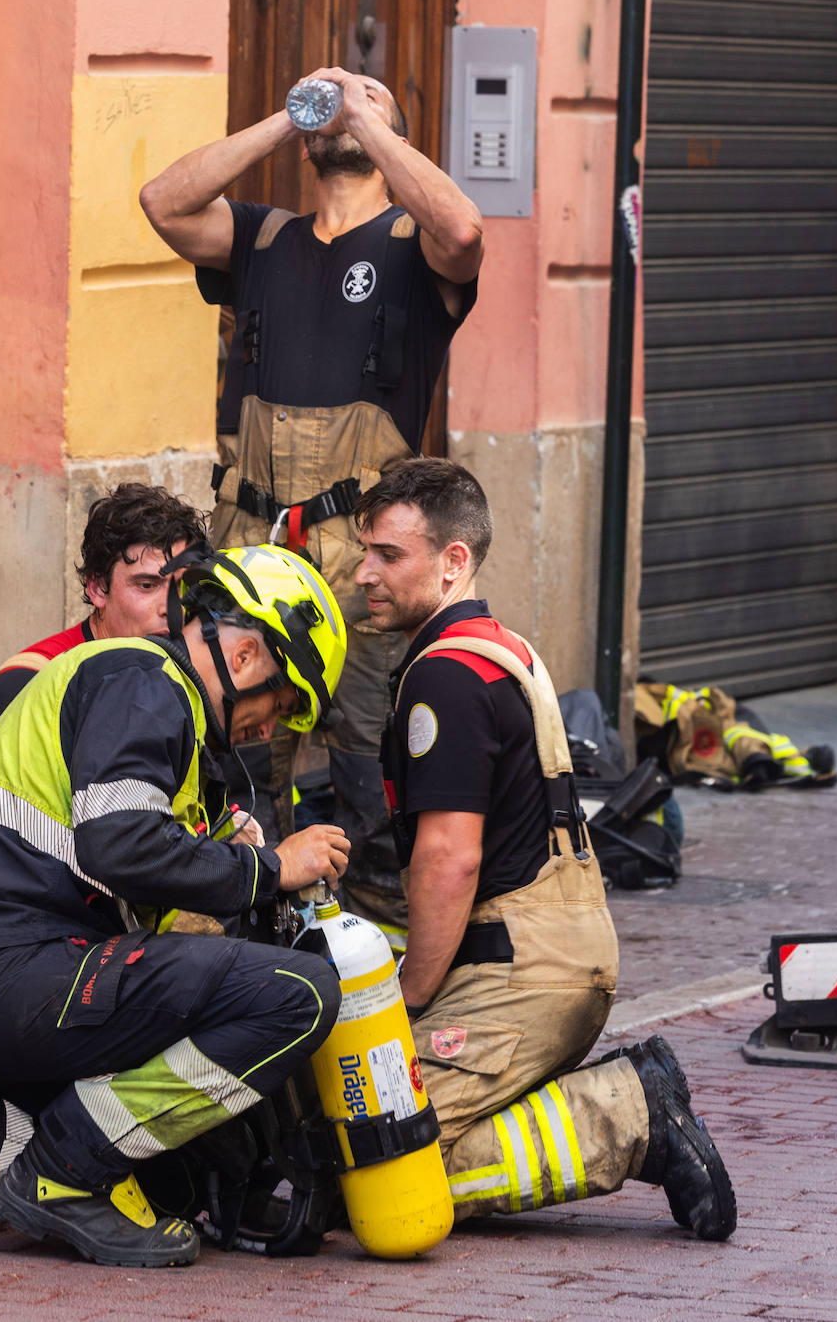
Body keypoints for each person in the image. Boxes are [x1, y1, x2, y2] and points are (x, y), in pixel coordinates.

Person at [0, 545, 352, 1267]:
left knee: (168, 1175)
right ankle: (62, 1176)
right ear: (243, 657)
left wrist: (219, 855)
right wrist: (266, 868)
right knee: (297, 996)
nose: (272, 729)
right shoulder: (146, 682)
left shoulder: (154, 707)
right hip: (10, 969)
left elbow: (139, 879)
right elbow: (123, 845)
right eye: (284, 702)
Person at [351, 457, 736, 1240]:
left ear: (454, 562)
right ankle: (603, 1103)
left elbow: (450, 860)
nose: (364, 573)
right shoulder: (502, 648)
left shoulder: (445, 679)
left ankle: (628, 1117)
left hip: (516, 974)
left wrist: (410, 1002)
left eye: (389, 555)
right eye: (365, 552)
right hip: (558, 953)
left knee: (372, 1168)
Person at [139, 66, 484, 937]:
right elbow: (163, 203)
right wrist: (282, 120)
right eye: (333, 93)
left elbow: (463, 229)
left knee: (368, 758)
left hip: (359, 556)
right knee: (242, 756)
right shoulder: (263, 239)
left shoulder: (415, 247)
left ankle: (381, 955)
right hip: (252, 550)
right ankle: (254, 943)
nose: (341, 96)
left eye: (365, 92)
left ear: (391, 133)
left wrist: (371, 128)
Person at [0, 482, 209, 760]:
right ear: (97, 588)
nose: (171, 608)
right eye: (146, 585)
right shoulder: (24, 684)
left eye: (183, 588)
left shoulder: (189, 678)